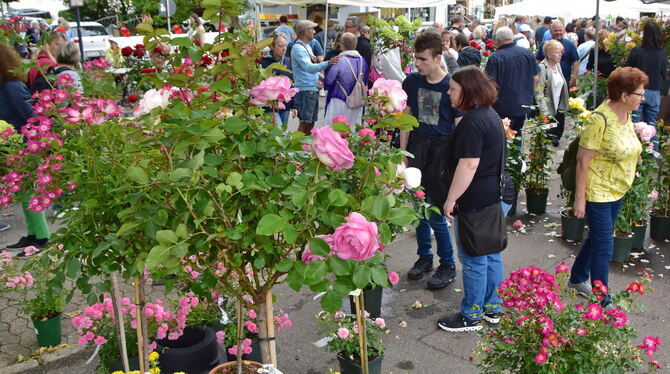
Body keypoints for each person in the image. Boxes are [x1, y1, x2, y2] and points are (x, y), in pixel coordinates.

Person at [568, 67, 647, 306]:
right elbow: (583, 161)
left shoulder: (626, 115)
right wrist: (580, 199)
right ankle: (603, 299)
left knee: (597, 238)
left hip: (617, 189)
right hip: (597, 191)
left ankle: (576, 278)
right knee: (604, 245)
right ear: (624, 95)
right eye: (639, 94)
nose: (642, 98)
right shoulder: (599, 119)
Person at [437, 66, 506, 332]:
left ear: (468, 91)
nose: (449, 93)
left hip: (474, 197)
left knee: (474, 259)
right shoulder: (490, 115)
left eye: (453, 89)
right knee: (490, 255)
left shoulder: (473, 121)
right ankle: (493, 307)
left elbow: (468, 164)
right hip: (490, 194)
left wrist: (451, 199)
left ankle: (471, 315)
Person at [400, 31, 461, 290]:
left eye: (423, 59)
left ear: (438, 58)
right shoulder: (412, 82)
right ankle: (424, 257)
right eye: (416, 59)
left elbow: (460, 127)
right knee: (417, 210)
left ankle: (447, 264)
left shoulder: (452, 87)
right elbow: (406, 117)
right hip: (417, 150)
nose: (418, 64)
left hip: (441, 155)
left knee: (436, 212)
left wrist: (459, 164)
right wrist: (403, 154)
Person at [0, 44, 50, 251]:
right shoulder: (6, 86)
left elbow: (30, 118)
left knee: (30, 194)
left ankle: (41, 237)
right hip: (10, 148)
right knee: (24, 195)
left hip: (22, 147)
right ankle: (33, 234)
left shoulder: (11, 87)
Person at [485, 27, 539, 139]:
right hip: (523, 104)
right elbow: (536, 78)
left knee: (501, 137)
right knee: (517, 134)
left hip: (503, 107)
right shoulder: (527, 53)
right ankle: (517, 156)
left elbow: (490, 85)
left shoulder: (496, 58)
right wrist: (528, 95)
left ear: (498, 40)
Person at [290, 20, 339, 134]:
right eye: (312, 29)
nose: (314, 31)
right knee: (305, 123)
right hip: (305, 90)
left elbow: (311, 68)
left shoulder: (305, 46)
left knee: (310, 122)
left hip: (311, 89)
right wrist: (328, 63)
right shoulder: (298, 48)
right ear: (306, 31)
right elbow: (309, 67)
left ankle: (303, 147)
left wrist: (321, 77)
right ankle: (297, 147)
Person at [627, 22, 668, 126]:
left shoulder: (636, 51)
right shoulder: (662, 52)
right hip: (654, 90)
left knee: (635, 123)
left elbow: (627, 69)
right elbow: (664, 72)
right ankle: (652, 142)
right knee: (651, 124)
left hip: (637, 90)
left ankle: (635, 142)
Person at [323, 32, 367, 127]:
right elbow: (365, 78)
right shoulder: (362, 60)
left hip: (339, 99)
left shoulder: (339, 61)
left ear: (341, 45)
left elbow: (329, 81)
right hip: (356, 100)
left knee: (334, 129)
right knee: (352, 129)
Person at [536, 40, 569, 147]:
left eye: (561, 52)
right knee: (548, 134)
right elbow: (538, 91)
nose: (560, 54)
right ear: (549, 54)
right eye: (557, 52)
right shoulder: (542, 67)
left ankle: (555, 138)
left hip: (558, 105)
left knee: (559, 127)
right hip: (548, 107)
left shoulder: (557, 65)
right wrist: (544, 111)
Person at [260, 33, 293, 127]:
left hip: (285, 105)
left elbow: (292, 83)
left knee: (282, 131)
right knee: (279, 134)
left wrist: (294, 105)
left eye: (285, 45)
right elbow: (259, 86)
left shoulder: (287, 61)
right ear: (271, 46)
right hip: (270, 106)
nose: (284, 48)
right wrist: (258, 113)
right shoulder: (264, 62)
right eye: (280, 46)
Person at [537, 20, 580, 89]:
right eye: (555, 30)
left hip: (565, 82)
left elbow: (576, 62)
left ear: (563, 31)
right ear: (550, 31)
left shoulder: (569, 44)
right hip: (547, 83)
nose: (558, 32)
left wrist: (574, 78)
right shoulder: (544, 45)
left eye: (560, 30)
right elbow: (538, 60)